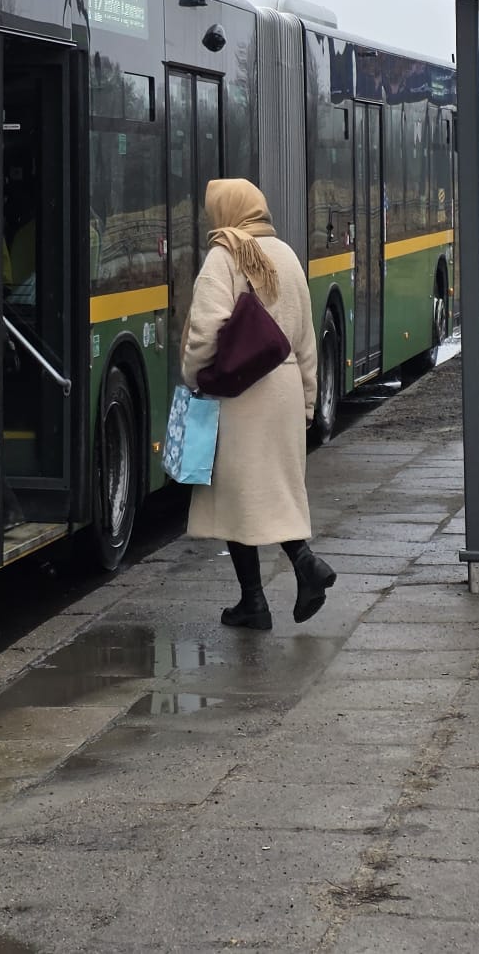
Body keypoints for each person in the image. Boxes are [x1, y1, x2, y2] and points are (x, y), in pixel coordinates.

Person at [181, 178, 334, 630]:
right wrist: (307, 403)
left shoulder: (223, 257)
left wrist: (193, 376)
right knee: (273, 494)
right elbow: (306, 340)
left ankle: (261, 597)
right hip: (284, 390)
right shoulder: (286, 255)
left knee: (237, 499)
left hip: (240, 394)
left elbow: (205, 332)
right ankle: (299, 572)